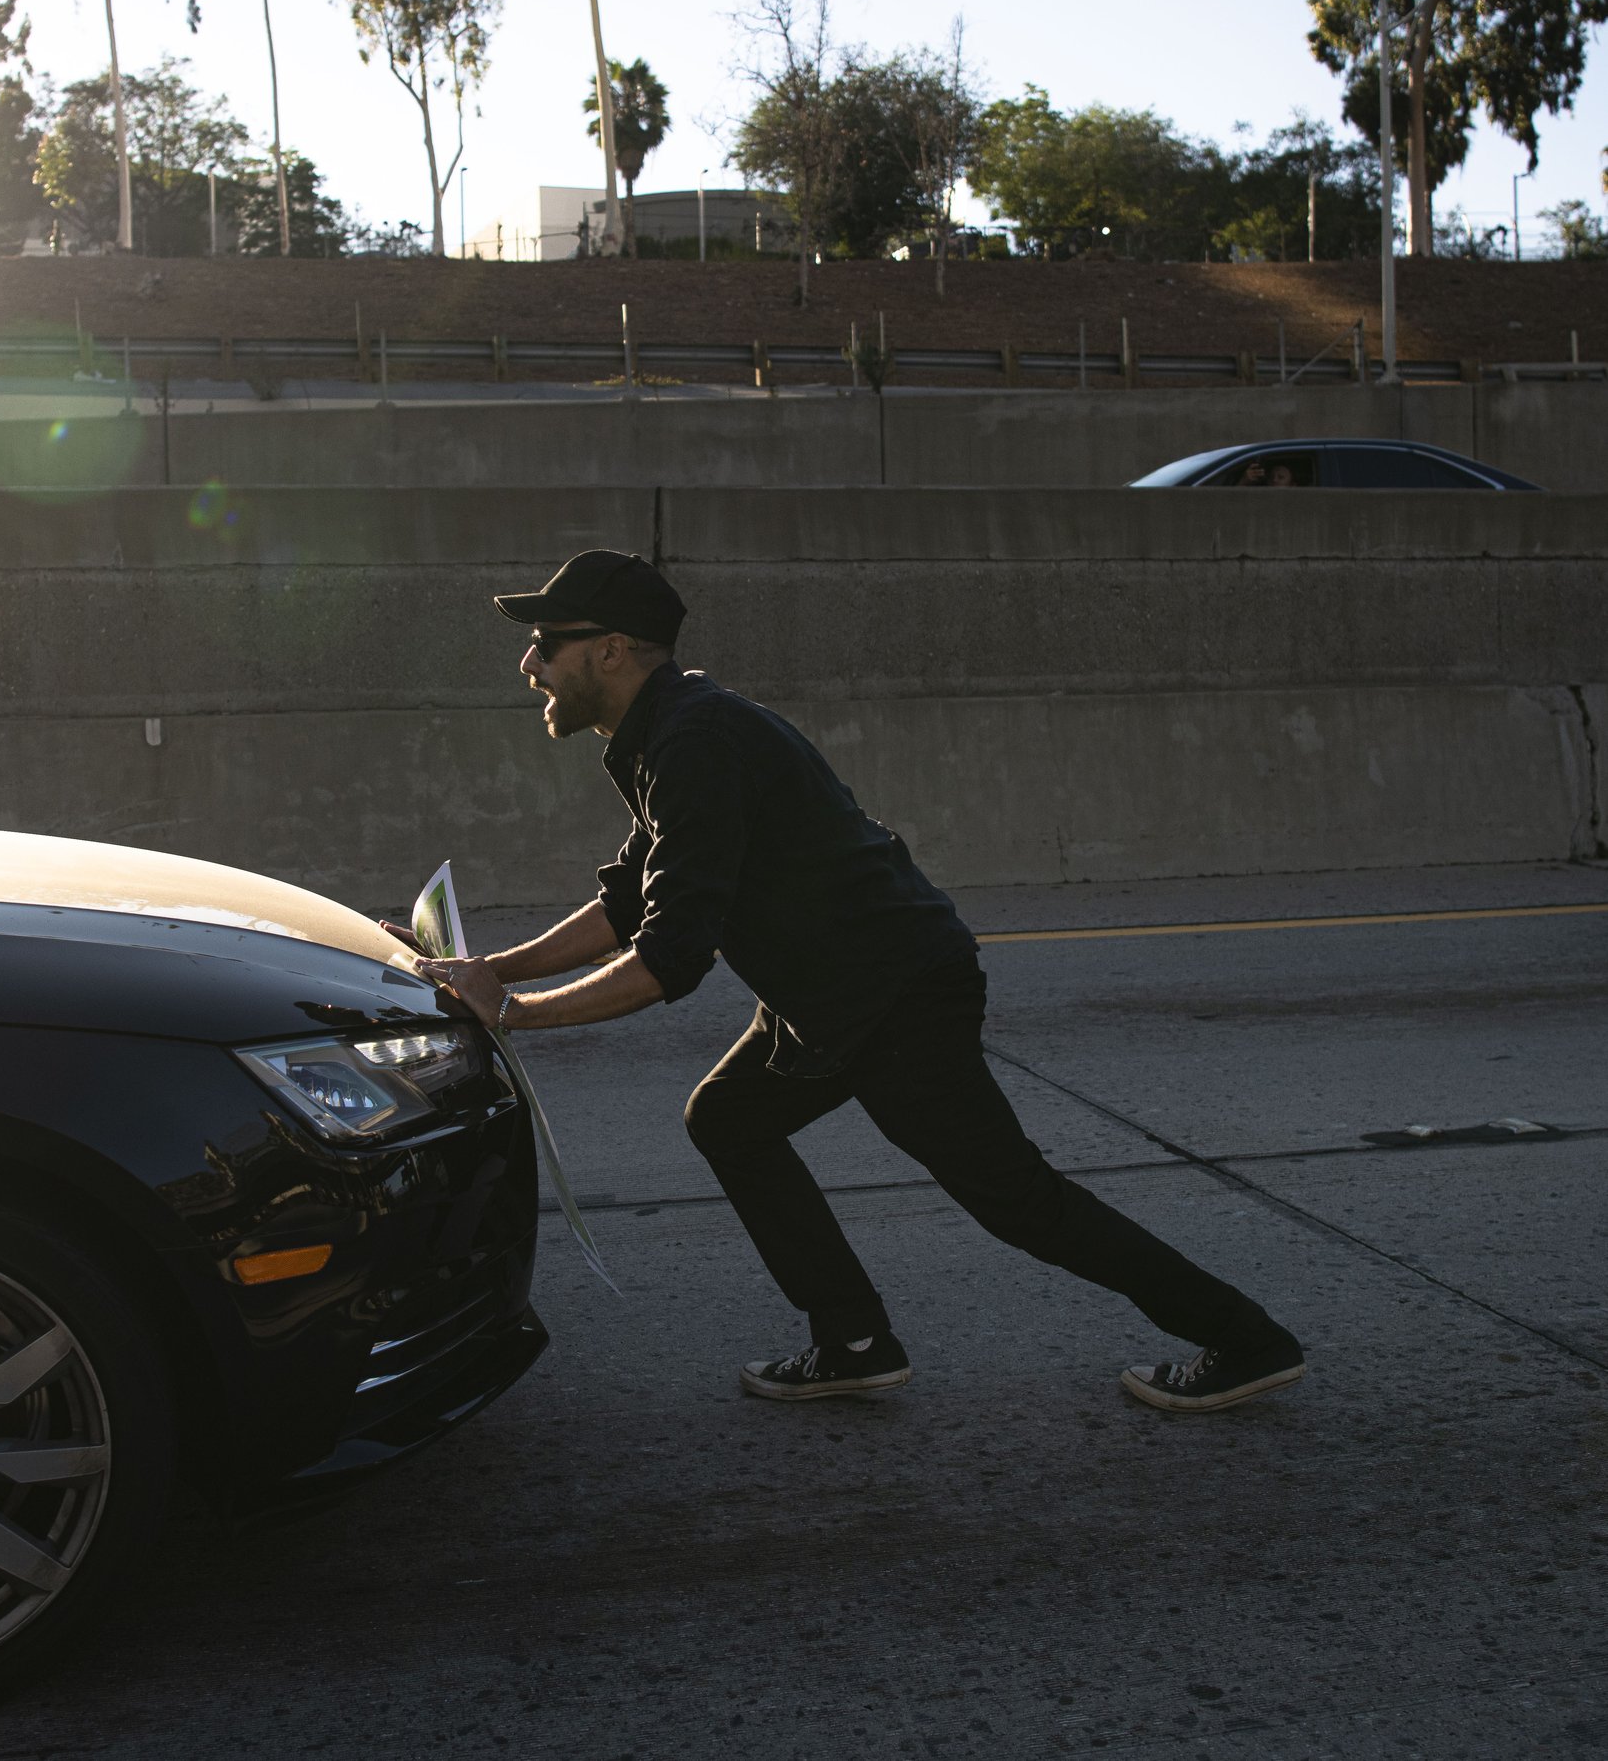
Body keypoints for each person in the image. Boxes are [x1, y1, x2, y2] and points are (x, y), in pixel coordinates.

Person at [409, 549, 1306, 1413]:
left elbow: (668, 959)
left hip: (896, 995)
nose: (530, 663)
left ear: (610, 651)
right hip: (832, 999)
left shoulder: (697, 742)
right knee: (728, 1118)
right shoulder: (668, 735)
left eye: (547, 643)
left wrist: (516, 1014)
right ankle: (854, 1342)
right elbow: (627, 902)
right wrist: (492, 969)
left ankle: (1245, 1340)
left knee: (1018, 1203)